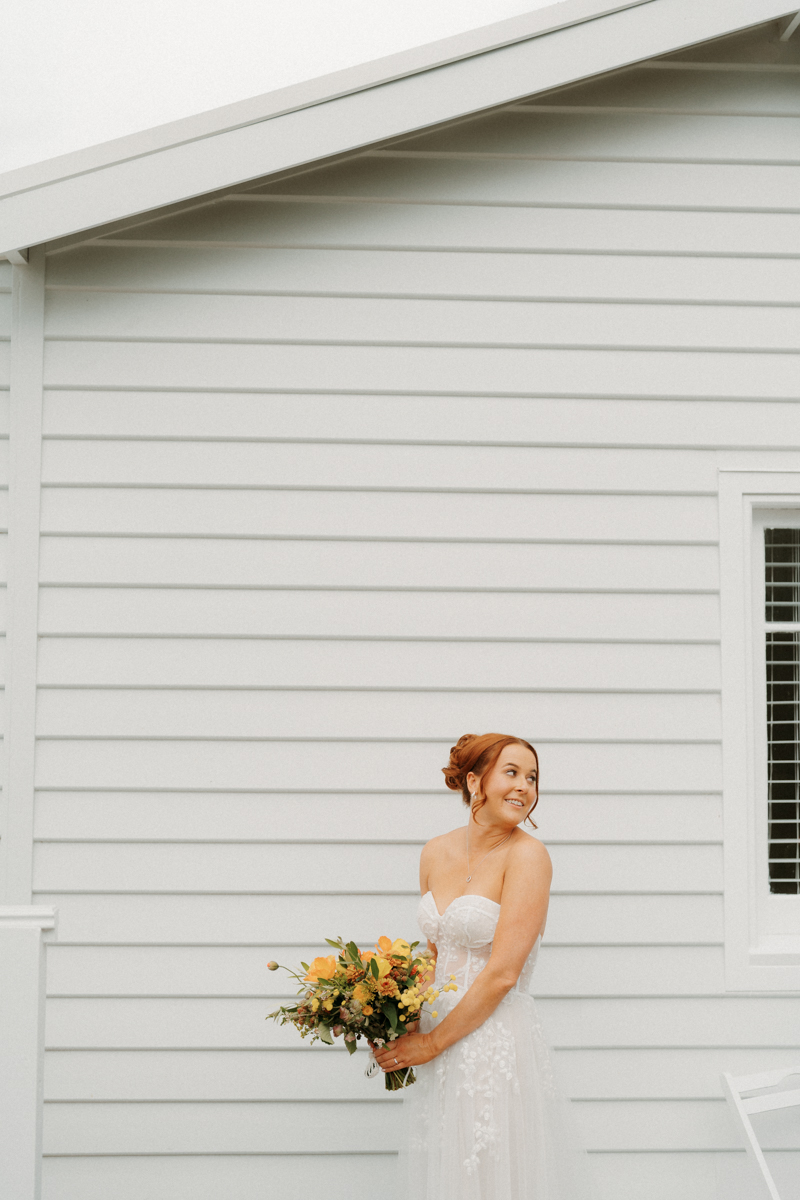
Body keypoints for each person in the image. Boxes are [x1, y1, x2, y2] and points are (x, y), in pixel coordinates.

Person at [371, 732, 595, 1199]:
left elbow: (503, 973)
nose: (524, 787)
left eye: (532, 777)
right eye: (511, 773)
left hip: (493, 1039)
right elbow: (436, 954)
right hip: (437, 1037)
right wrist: (398, 1020)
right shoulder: (434, 851)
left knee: (491, 1174)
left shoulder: (529, 856)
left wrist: (431, 1043)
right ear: (475, 782)